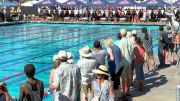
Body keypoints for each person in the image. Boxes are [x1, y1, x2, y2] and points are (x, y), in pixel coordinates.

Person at [118, 29, 133, 97]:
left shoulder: (120, 42)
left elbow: (120, 53)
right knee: (129, 77)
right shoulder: (129, 41)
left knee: (123, 78)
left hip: (123, 61)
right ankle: (128, 91)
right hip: (129, 61)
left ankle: (123, 91)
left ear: (121, 34)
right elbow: (131, 51)